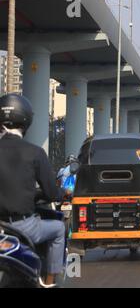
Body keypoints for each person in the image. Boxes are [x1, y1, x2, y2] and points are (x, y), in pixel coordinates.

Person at [0, 93, 65, 288]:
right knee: (59, 229)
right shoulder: (35, 152)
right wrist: (61, 194)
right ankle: (50, 281)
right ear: (26, 120)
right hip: (22, 226)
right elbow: (52, 194)